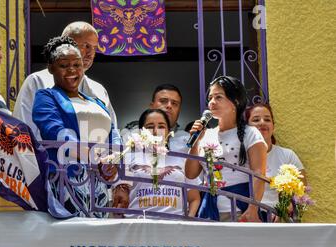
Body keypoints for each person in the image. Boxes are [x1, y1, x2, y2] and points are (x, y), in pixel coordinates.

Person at [32, 36, 120, 218]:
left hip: (99, 185)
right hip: (67, 181)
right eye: (64, 65)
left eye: (77, 64)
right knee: (72, 239)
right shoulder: (46, 97)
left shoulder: (96, 101)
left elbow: (112, 133)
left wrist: (114, 160)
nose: (72, 70)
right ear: (51, 68)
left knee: (96, 241)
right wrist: (91, 155)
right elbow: (55, 131)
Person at [14, 21, 117, 140]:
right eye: (86, 46)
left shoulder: (99, 90)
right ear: (67, 43)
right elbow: (23, 132)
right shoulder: (37, 82)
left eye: (94, 48)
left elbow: (112, 131)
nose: (91, 53)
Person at [185, 76, 267, 222]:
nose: (212, 102)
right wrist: (196, 141)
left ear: (235, 101)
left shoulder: (251, 133)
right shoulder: (206, 134)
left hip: (240, 209)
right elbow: (190, 174)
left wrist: (252, 208)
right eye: (210, 98)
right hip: (210, 210)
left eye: (218, 97)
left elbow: (259, 173)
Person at [113, 109, 201, 218]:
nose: (155, 131)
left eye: (161, 126)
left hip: (174, 228)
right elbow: (119, 201)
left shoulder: (181, 158)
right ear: (141, 132)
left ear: (169, 132)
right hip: (137, 226)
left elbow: (194, 199)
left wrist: (187, 221)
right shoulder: (129, 158)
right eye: (150, 126)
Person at [245, 103, 307, 212]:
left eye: (267, 119)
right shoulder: (238, 156)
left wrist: (284, 211)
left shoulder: (287, 156)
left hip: (275, 220)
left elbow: (302, 190)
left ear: (273, 126)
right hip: (245, 217)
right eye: (256, 120)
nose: (262, 122)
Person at [123, 84, 189, 153]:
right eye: (163, 101)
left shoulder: (188, 140)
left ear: (179, 110)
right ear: (151, 107)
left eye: (174, 103)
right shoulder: (130, 137)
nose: (169, 106)